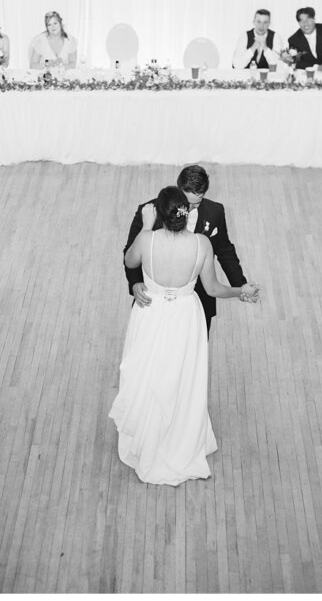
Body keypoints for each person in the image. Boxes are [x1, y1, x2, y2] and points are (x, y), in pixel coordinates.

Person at [111, 189, 259, 486]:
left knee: (149, 375)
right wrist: (240, 290)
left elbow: (130, 263)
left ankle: (147, 439)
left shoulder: (147, 239)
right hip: (185, 317)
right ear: (185, 214)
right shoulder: (201, 244)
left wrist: (146, 226)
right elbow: (214, 289)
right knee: (181, 378)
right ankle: (180, 439)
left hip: (149, 313)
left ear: (160, 215)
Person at [124, 165, 253, 336]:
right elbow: (130, 251)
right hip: (152, 299)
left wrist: (240, 285)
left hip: (197, 298)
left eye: (197, 203)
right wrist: (135, 282)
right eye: (187, 203)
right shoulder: (149, 211)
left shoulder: (215, 212)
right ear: (178, 190)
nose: (190, 209)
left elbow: (224, 250)